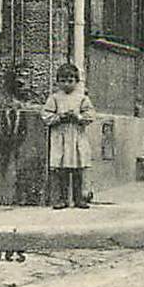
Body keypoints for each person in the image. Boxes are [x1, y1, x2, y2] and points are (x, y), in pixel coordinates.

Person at [42, 62, 96, 209]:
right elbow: (46, 115)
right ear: (58, 81)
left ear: (76, 81)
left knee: (78, 168)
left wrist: (78, 117)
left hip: (77, 137)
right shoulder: (54, 98)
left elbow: (90, 115)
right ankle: (62, 199)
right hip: (61, 137)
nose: (67, 84)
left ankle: (79, 198)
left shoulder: (82, 98)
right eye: (63, 80)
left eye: (70, 80)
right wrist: (60, 117)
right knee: (61, 169)